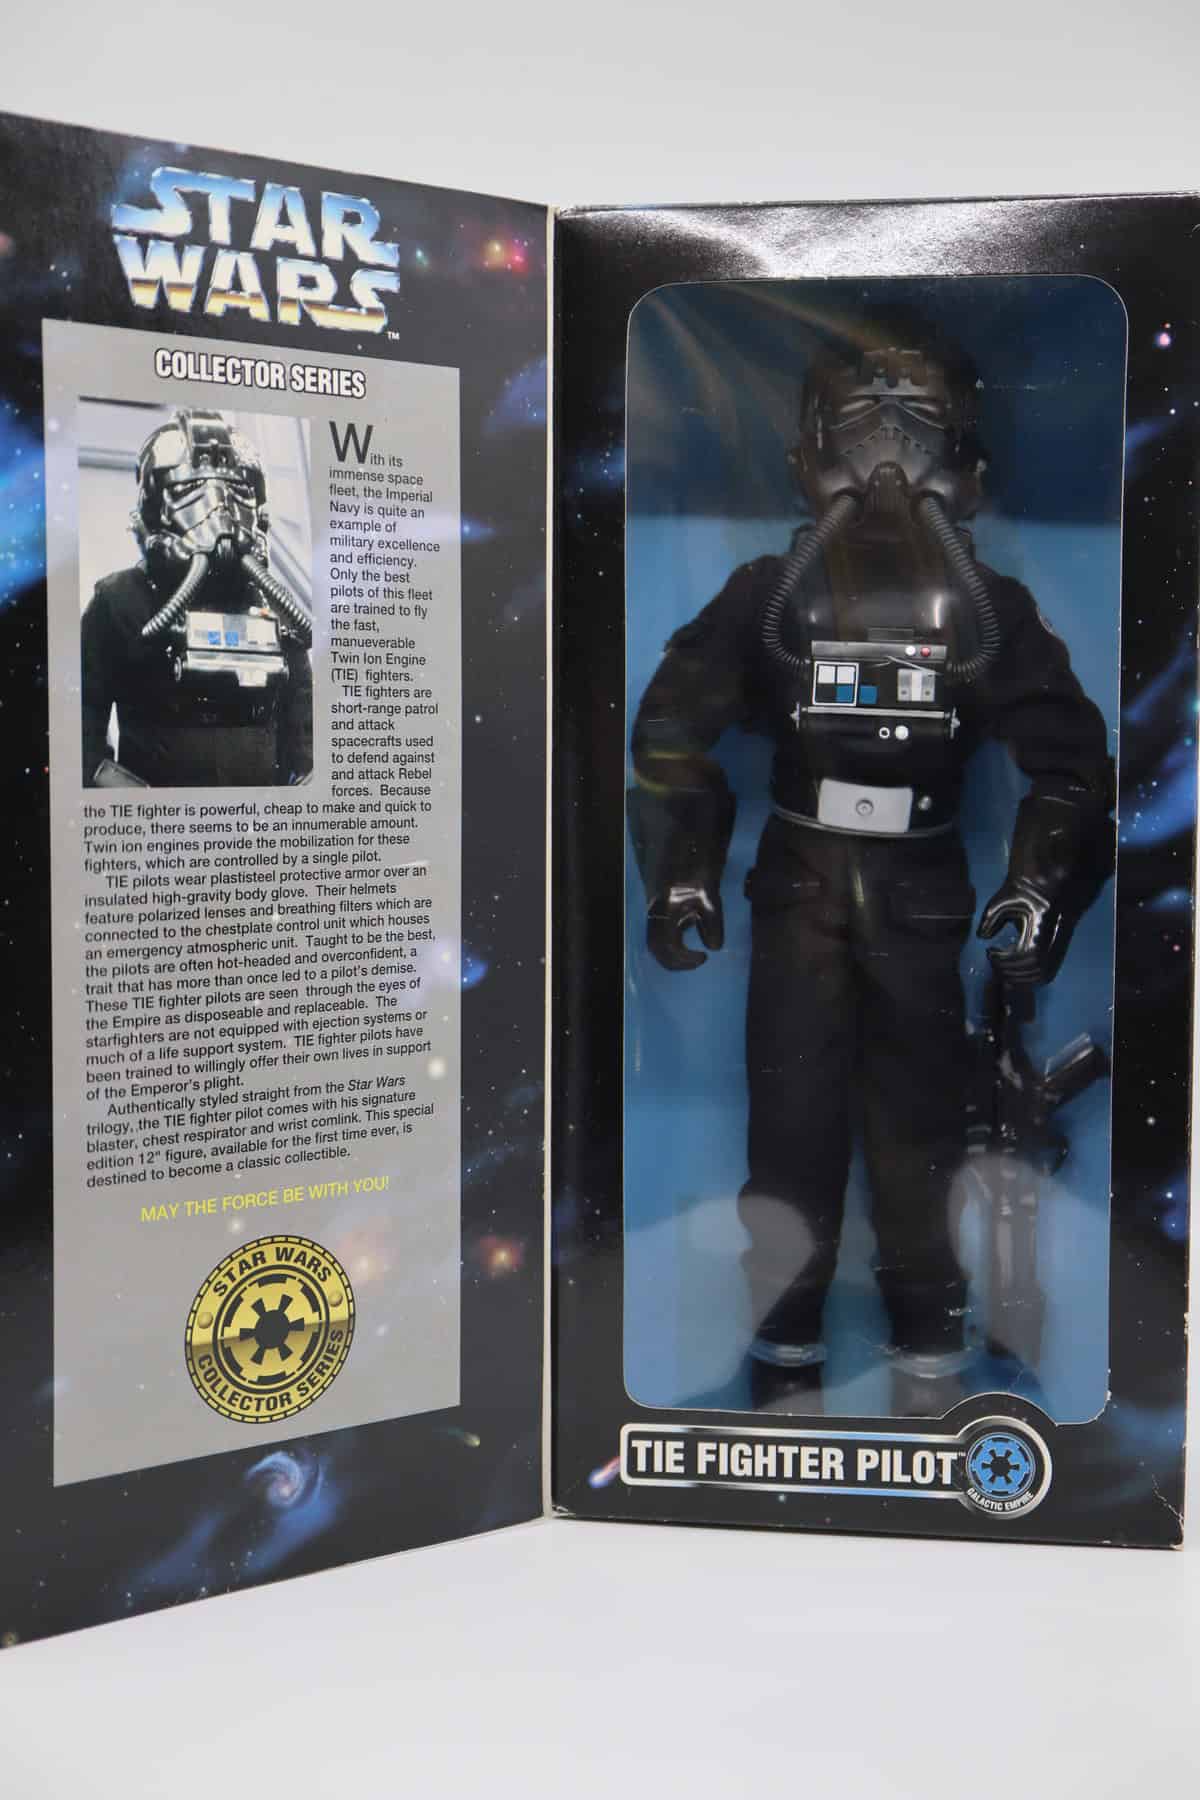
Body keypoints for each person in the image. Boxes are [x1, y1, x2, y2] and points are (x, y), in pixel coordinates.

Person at [628, 314, 1114, 1416]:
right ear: (809, 457)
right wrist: (682, 867)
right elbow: (668, 736)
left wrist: (1040, 887)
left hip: (922, 892)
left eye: (920, 429)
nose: (889, 460)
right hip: (801, 886)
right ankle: (784, 1351)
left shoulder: (989, 614)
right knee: (789, 1132)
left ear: (969, 465)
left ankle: (927, 1358)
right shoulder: (768, 598)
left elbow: (1072, 765)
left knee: (919, 1139)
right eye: (860, 427)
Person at [81, 408, 313, 788]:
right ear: (153, 509)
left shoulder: (278, 610)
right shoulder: (117, 603)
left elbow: (307, 750)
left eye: (238, 490)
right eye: (189, 490)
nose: (218, 508)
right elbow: (82, 744)